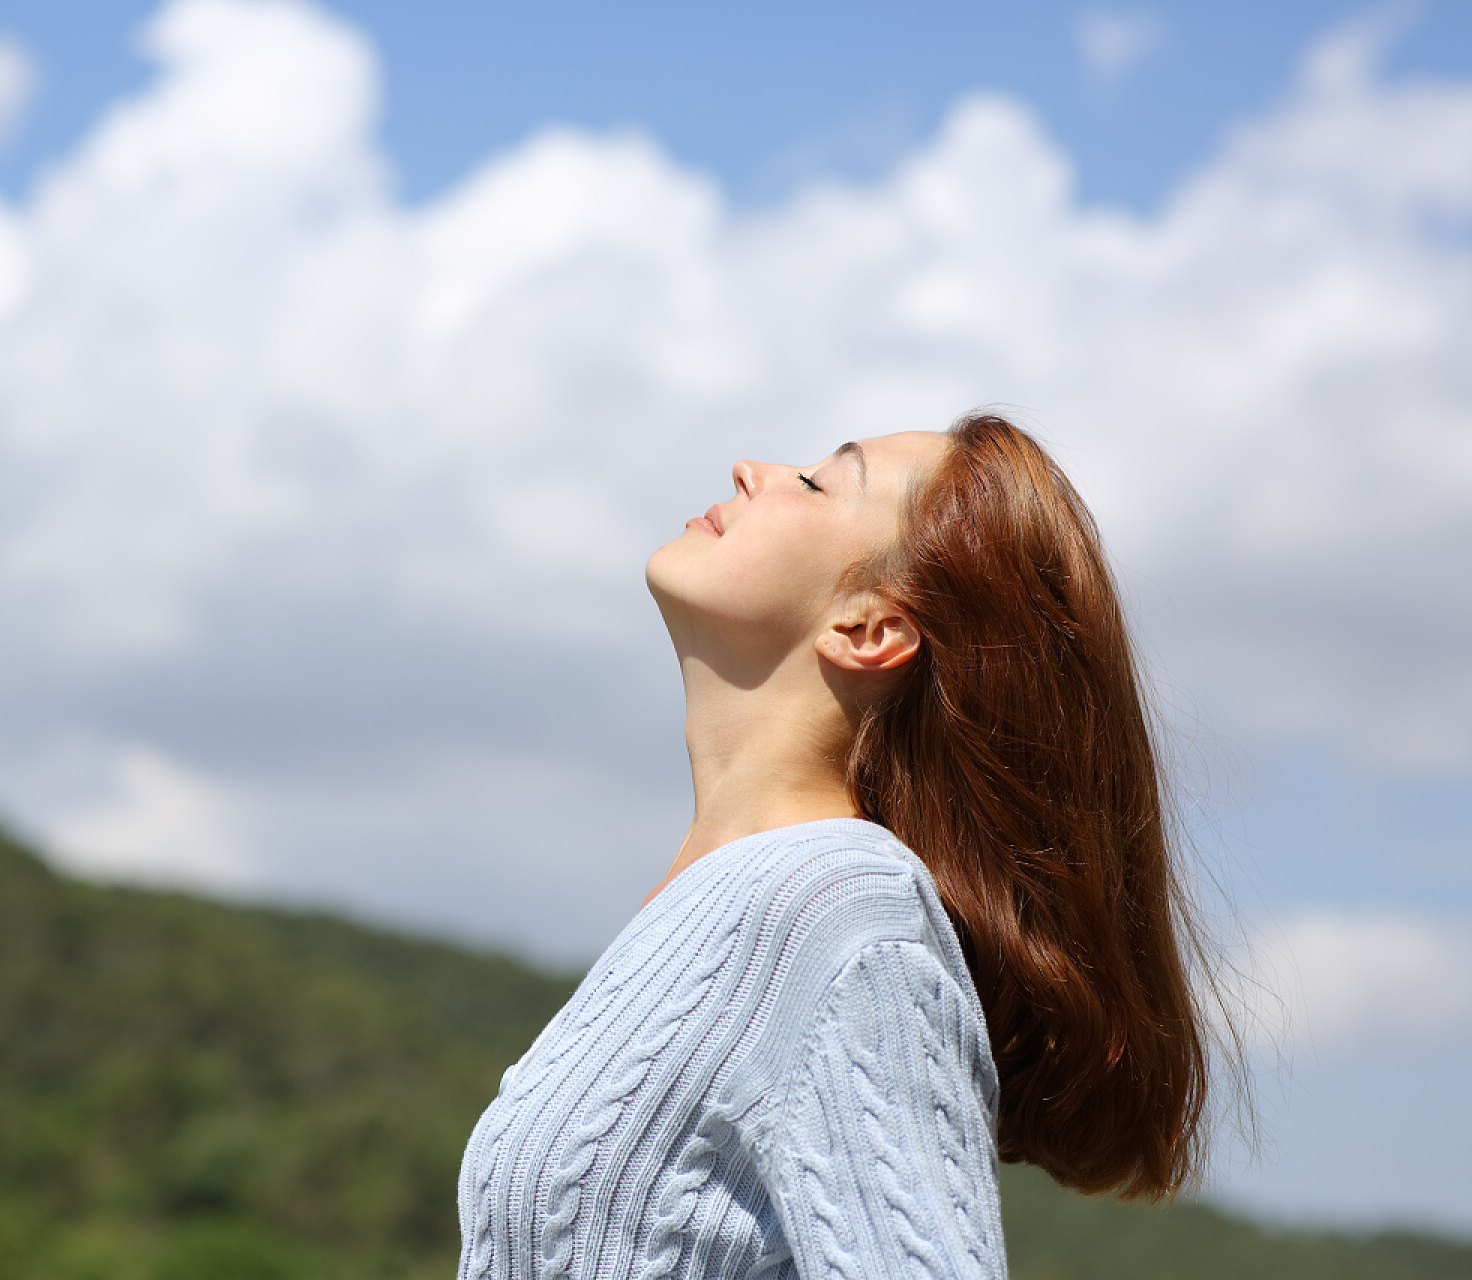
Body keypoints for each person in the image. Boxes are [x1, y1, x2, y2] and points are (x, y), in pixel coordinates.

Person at [455, 413, 1216, 1280]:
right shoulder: (733, 903)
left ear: (869, 629)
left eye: (817, 483)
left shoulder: (842, 910)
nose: (751, 468)